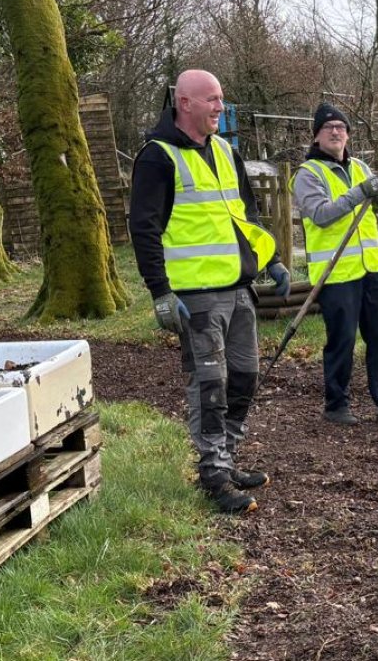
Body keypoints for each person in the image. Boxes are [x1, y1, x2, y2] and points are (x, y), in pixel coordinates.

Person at [129, 69, 292, 514]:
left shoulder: (225, 150)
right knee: (209, 384)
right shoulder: (157, 157)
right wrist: (160, 292)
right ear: (185, 103)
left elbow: (245, 215)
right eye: (213, 100)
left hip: (238, 289)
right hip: (195, 296)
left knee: (244, 377)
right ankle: (213, 474)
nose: (221, 107)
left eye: (221, 100)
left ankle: (226, 455)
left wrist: (269, 260)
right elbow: (143, 229)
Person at [292, 103, 378, 426]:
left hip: (371, 269)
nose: (336, 131)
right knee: (342, 339)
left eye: (341, 127)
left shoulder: (360, 166)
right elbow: (320, 215)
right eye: (329, 127)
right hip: (336, 273)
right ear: (316, 136)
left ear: (348, 134)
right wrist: (362, 192)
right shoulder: (308, 174)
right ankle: (336, 405)